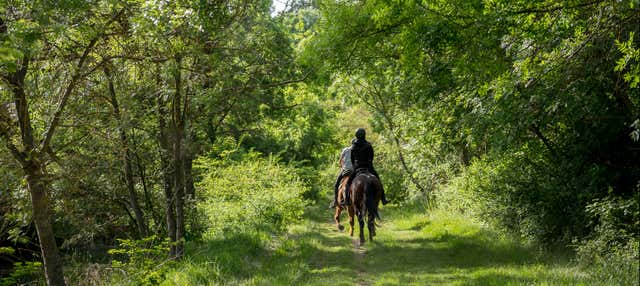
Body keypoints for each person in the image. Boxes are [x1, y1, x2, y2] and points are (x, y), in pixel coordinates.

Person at [343, 128, 389, 205]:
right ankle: (383, 199)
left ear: (356, 135)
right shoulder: (368, 145)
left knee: (348, 182)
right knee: (378, 180)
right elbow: (371, 157)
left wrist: (355, 165)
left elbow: (352, 158)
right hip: (368, 167)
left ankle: (347, 200)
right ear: (364, 135)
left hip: (357, 167)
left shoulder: (353, 146)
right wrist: (369, 163)